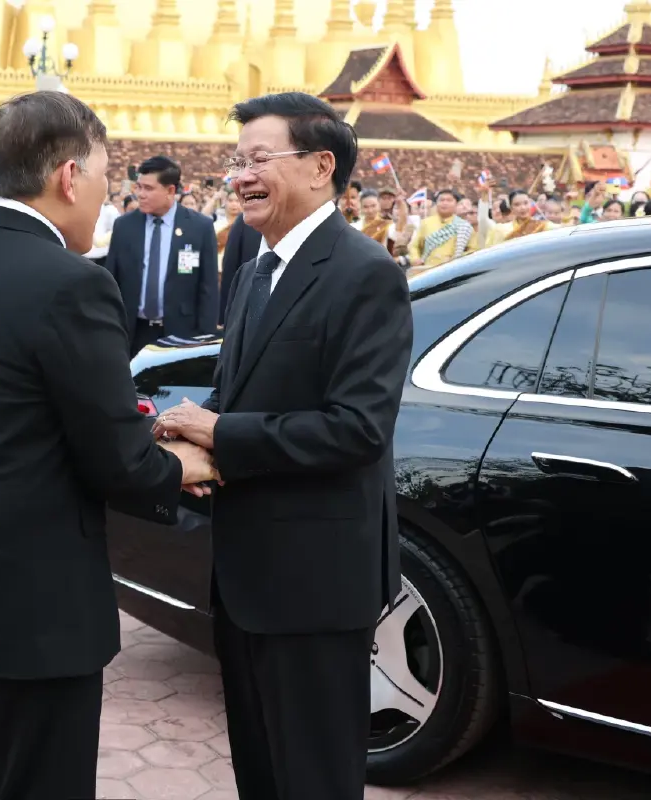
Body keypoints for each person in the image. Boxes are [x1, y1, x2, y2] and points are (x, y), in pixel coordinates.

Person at [0, 90, 216, 800]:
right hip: (31, 607)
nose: (105, 198)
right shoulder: (72, 285)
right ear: (68, 176)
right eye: (102, 178)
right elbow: (115, 455)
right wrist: (177, 465)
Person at [153, 92, 413, 800]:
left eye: (258, 158)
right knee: (262, 771)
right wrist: (185, 430)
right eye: (237, 162)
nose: (241, 176)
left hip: (317, 580)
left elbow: (358, 428)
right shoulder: (252, 271)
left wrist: (222, 434)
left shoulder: (366, 274)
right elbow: (240, 397)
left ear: (321, 166)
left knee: (315, 776)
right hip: (244, 574)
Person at [105, 155, 220, 356]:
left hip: (181, 333)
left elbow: (208, 288)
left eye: (148, 189)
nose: (140, 194)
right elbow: (111, 281)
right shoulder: (125, 226)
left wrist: (205, 340)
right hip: (132, 332)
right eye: (138, 187)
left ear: (170, 191)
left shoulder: (199, 227)